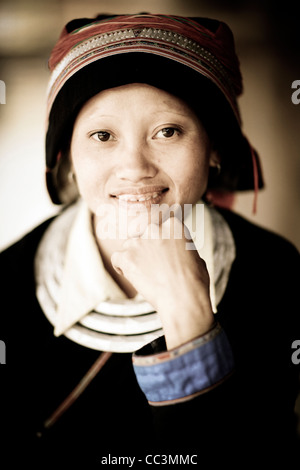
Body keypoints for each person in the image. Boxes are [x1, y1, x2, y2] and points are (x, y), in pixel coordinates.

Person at [0, 13, 299, 466]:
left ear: (215, 148)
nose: (135, 167)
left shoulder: (273, 270)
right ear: (69, 159)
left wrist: (187, 309)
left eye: (168, 131)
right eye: (103, 135)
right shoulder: (9, 282)